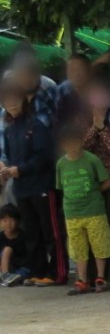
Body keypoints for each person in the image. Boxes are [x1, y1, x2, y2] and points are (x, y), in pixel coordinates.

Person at [0, 83, 60, 285]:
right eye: (7, 101)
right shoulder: (9, 129)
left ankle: (56, 273)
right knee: (32, 233)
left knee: (50, 231)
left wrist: (21, 169)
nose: (12, 104)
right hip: (21, 188)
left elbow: (44, 157)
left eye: (15, 99)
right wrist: (6, 168)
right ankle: (37, 271)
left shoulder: (36, 125)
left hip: (42, 186)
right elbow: (8, 157)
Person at [80, 83, 110, 288]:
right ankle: (93, 275)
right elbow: (81, 147)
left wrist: (102, 127)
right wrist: (94, 127)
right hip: (90, 179)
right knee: (93, 227)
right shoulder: (82, 118)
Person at [54, 123, 110, 295]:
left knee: (100, 243)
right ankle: (82, 280)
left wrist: (93, 193)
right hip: (72, 213)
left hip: (94, 210)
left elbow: (107, 182)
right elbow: (60, 187)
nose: (72, 146)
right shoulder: (61, 164)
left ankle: (100, 277)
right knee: (78, 247)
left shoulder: (91, 159)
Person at [0, 203, 31, 286]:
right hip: (6, 268)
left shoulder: (23, 236)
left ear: (18, 221)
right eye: (5, 221)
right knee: (6, 250)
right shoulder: (1, 237)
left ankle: (8, 278)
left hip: (22, 268)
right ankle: (7, 276)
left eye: (12, 220)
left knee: (7, 249)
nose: (8, 224)